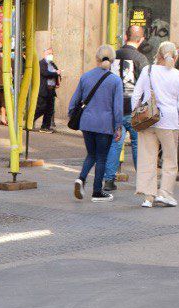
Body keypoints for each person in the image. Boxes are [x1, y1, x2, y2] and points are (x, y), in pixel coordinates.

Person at [130, 40, 179, 208]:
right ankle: (165, 194)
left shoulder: (147, 70)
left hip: (147, 120)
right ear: (175, 57)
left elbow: (136, 95)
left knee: (147, 158)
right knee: (170, 160)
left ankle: (148, 197)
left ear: (158, 55)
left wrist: (135, 115)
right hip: (169, 123)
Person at [70, 44, 123, 203]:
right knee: (101, 157)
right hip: (105, 124)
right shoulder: (115, 80)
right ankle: (97, 192)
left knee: (91, 154)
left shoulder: (85, 77)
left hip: (87, 123)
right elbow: (118, 108)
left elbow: (74, 101)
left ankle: (81, 178)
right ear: (112, 60)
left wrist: (72, 115)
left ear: (96, 59)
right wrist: (118, 126)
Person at [104, 27, 149, 191]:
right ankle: (142, 182)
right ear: (141, 39)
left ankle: (108, 180)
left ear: (125, 37)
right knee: (138, 145)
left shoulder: (113, 56)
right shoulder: (141, 59)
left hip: (115, 109)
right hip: (134, 110)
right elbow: (147, 86)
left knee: (115, 144)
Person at [35, 49, 61, 131]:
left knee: (50, 109)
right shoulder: (41, 63)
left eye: (52, 53)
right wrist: (56, 73)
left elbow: (58, 72)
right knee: (41, 108)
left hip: (51, 90)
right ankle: (28, 121)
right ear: (44, 54)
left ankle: (45, 127)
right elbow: (45, 73)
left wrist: (58, 79)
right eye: (49, 53)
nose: (51, 55)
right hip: (44, 90)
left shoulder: (52, 64)